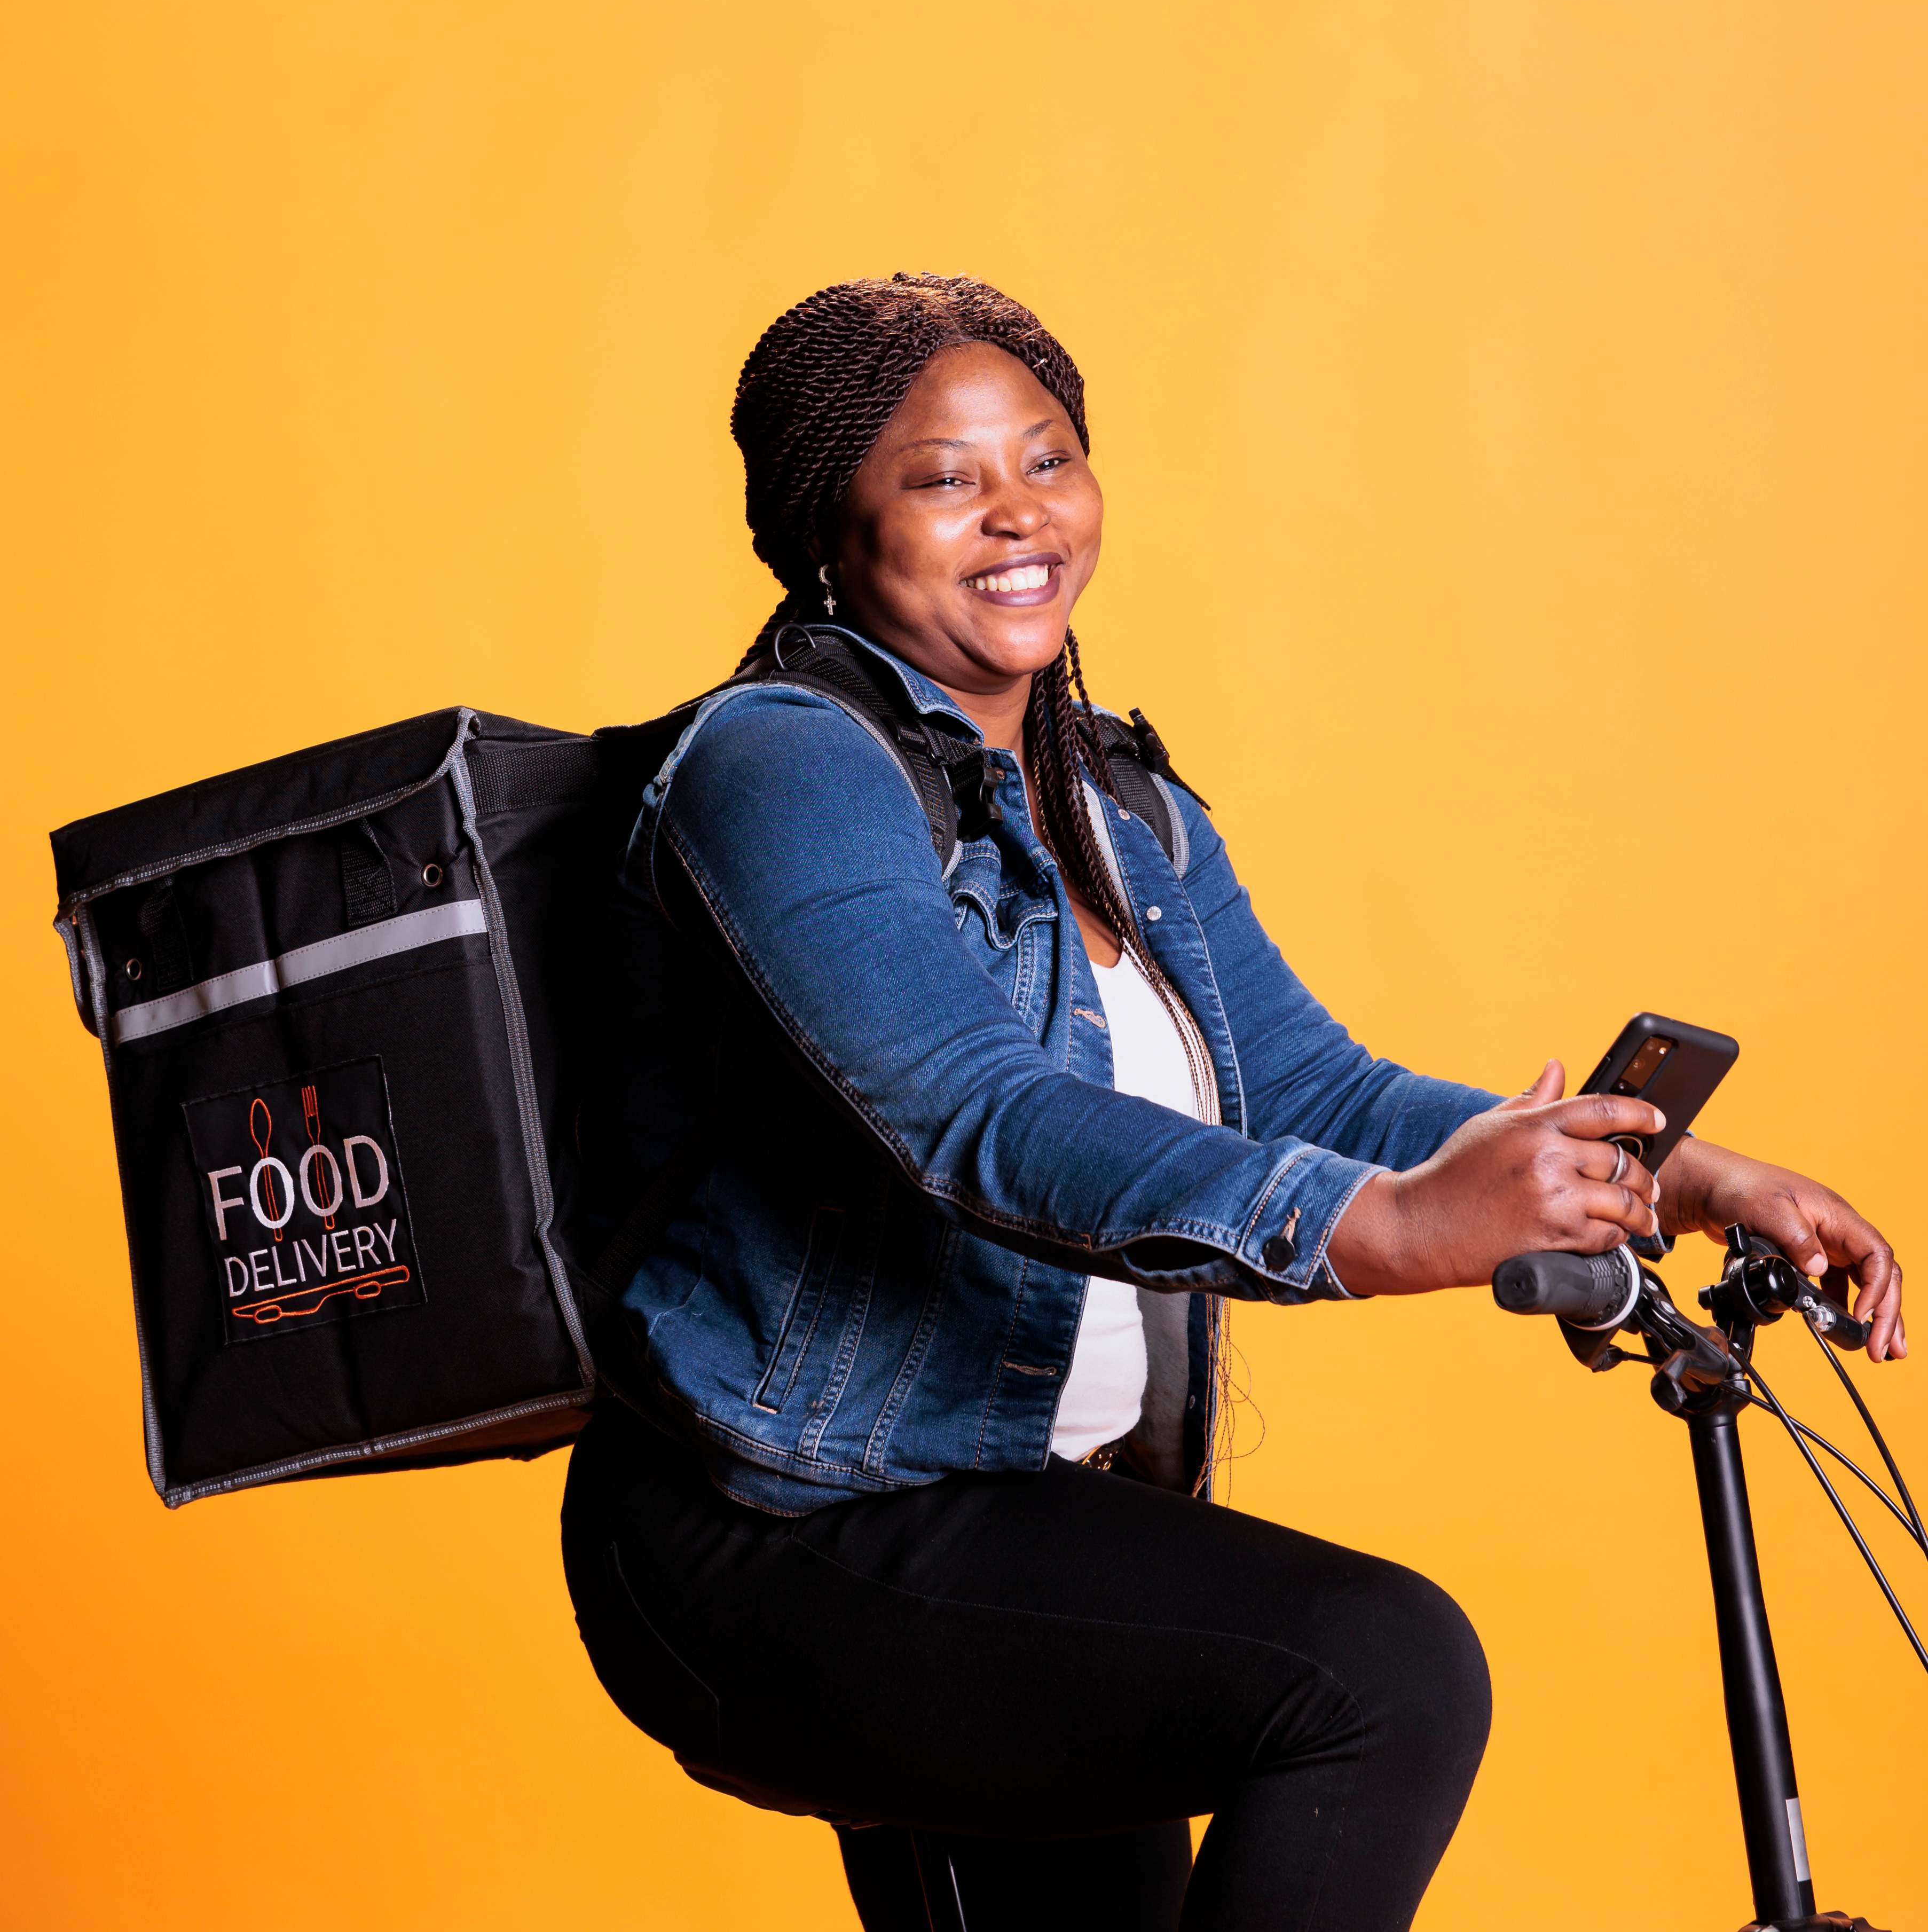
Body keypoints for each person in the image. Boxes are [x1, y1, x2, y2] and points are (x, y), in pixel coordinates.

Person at [563, 272, 1903, 1932]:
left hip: (1022, 1512)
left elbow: (1312, 1085)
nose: (1017, 515)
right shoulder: (779, 766)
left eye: (1048, 460)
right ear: (825, 530)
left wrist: (1681, 1178)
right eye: (943, 478)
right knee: (1380, 1671)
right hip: (776, 1526)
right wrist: (1396, 1229)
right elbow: (971, 1115)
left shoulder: (1116, 799)